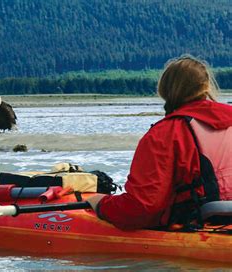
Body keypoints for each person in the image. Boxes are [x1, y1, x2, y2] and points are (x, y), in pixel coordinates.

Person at [87, 55, 232, 230]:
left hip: (199, 222)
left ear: (164, 90)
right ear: (206, 87)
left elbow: (142, 208)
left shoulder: (165, 134)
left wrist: (101, 204)